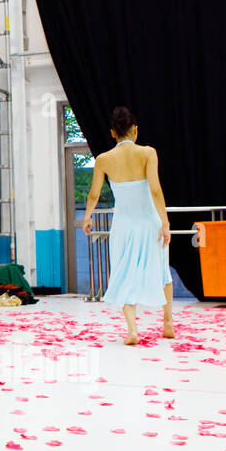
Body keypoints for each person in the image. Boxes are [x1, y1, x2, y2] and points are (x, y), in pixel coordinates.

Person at [81, 106, 174, 345]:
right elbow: (155, 189)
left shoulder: (103, 159)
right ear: (135, 130)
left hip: (123, 225)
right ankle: (167, 324)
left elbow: (93, 194)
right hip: (149, 222)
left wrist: (88, 217)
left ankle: (132, 329)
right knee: (163, 271)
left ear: (113, 133)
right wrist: (165, 223)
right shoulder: (148, 153)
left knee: (124, 274)